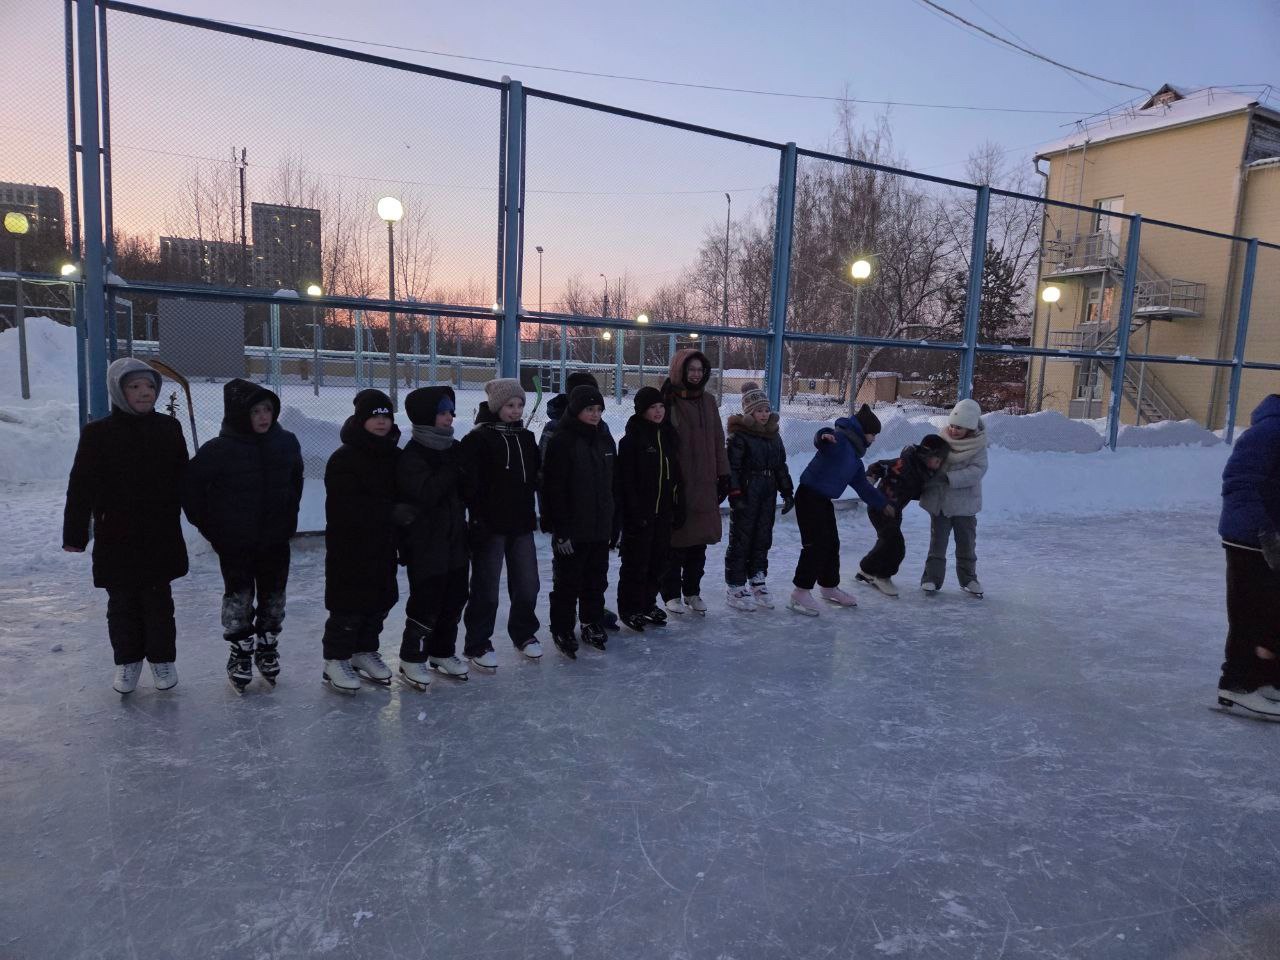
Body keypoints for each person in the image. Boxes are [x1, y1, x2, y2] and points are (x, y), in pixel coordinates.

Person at [63, 357, 189, 694]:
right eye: (134, 387)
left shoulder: (168, 429)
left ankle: (162, 660)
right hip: (116, 534)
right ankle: (127, 662)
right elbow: (81, 485)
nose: (144, 393)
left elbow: (184, 479)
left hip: (159, 533)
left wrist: (204, 517)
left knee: (158, 601)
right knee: (122, 604)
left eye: (150, 386)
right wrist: (75, 533)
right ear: (119, 391)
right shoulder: (98, 434)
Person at [184, 379, 303, 692]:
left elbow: (295, 480)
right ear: (240, 415)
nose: (264, 417)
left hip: (275, 540)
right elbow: (191, 489)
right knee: (239, 597)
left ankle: (267, 645)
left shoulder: (287, 442)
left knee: (274, 597)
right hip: (236, 543)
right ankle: (240, 650)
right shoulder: (219, 450)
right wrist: (212, 529)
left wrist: (289, 518)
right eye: (255, 411)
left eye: (267, 409)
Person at [320, 390, 407, 694]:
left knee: (380, 600)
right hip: (350, 546)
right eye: (375, 416)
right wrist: (390, 512)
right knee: (349, 604)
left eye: (386, 416)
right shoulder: (344, 458)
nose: (382, 422)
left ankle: (364, 651)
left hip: (384, 544)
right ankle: (335, 658)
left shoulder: (395, 456)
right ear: (361, 420)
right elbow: (346, 507)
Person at [460, 378, 543, 664]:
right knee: (486, 587)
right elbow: (470, 485)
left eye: (520, 405)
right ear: (496, 406)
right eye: (510, 405)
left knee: (528, 583)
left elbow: (535, 478)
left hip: (521, 525)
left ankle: (524, 633)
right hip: (490, 527)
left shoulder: (526, 438)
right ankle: (478, 643)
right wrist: (478, 518)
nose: (516, 410)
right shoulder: (478, 439)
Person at [398, 385, 472, 684]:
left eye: (451, 412)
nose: (449, 418)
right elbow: (427, 493)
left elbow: (466, 492)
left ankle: (441, 651)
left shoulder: (453, 448)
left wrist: (470, 468)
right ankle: (411, 657)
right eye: (442, 412)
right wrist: (453, 469)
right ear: (427, 415)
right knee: (427, 600)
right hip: (426, 542)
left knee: (455, 596)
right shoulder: (413, 454)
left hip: (455, 539)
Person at [1215, 393, 1280, 720]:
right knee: (1249, 613)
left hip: (1272, 538)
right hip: (1249, 538)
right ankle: (1236, 685)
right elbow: (1239, 482)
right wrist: (1264, 531)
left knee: (1272, 613)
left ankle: (1267, 679)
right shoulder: (1269, 431)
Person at [788, 404, 887, 616]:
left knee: (832, 543)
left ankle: (828, 586)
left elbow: (863, 486)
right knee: (816, 544)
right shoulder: (839, 440)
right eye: (872, 434)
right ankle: (800, 591)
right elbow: (822, 438)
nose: (874, 439)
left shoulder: (855, 460)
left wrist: (883, 504)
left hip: (823, 500)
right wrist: (823, 436)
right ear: (862, 431)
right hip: (808, 497)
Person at [541, 384, 617, 657]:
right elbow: (553, 489)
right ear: (576, 410)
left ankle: (590, 621)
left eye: (598, 410)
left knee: (596, 580)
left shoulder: (605, 440)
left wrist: (613, 522)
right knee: (568, 583)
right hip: (573, 529)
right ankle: (562, 627)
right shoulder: (563, 441)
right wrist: (560, 529)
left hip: (599, 527)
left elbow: (612, 485)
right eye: (589, 409)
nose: (595, 415)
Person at [660, 348, 729, 616]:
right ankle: (670, 594)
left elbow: (717, 441)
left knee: (698, 543)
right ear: (680, 370)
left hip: (705, 483)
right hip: (679, 482)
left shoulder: (709, 401)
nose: (696, 375)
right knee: (675, 543)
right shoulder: (668, 401)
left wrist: (723, 474)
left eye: (700, 370)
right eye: (691, 370)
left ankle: (692, 592)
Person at [615, 386, 683, 631]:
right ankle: (629, 608)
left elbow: (675, 476)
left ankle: (647, 603)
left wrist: (677, 505)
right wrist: (633, 513)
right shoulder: (632, 440)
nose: (658, 411)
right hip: (640, 515)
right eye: (653, 407)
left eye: (661, 406)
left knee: (658, 561)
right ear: (642, 410)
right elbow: (626, 481)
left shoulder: (667, 437)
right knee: (636, 563)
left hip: (663, 513)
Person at [724, 383, 794, 611]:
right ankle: (735, 585)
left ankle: (757, 578)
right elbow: (732, 468)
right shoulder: (739, 436)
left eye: (766, 409)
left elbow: (780, 466)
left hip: (767, 491)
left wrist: (787, 491)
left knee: (763, 536)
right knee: (741, 539)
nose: (764, 414)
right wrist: (735, 494)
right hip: (747, 491)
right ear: (749, 412)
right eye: (758, 410)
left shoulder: (774, 436)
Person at [856, 434, 949, 596]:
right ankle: (882, 575)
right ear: (927, 454)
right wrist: (869, 479)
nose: (938, 465)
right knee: (896, 545)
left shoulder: (923, 473)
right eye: (937, 460)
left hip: (895, 512)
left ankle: (867, 569)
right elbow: (878, 466)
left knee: (886, 542)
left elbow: (915, 492)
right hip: (880, 507)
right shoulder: (903, 464)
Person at [919, 398, 989, 597]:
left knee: (966, 544)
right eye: (952, 425)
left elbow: (978, 470)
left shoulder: (978, 447)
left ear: (970, 428)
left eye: (959, 427)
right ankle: (931, 579)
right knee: (937, 544)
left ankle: (969, 579)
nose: (953, 430)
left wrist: (949, 477)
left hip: (965, 505)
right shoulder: (941, 442)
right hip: (940, 504)